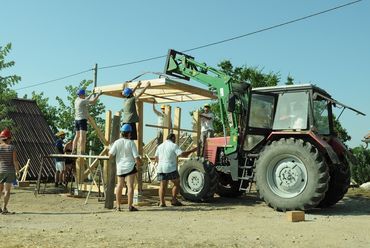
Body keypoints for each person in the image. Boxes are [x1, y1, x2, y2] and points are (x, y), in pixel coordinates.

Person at [155, 133, 197, 207]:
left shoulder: (160, 146)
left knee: (162, 185)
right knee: (177, 183)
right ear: (173, 138)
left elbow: (156, 158)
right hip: (170, 167)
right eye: (175, 139)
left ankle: (162, 202)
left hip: (160, 168)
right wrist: (192, 150)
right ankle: (174, 200)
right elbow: (182, 154)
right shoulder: (173, 145)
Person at [109, 124, 142, 212]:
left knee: (119, 185)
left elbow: (110, 155)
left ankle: (118, 206)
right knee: (130, 186)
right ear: (129, 134)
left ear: (122, 133)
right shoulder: (131, 143)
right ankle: (130, 206)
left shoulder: (117, 142)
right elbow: (136, 157)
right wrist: (140, 163)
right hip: (130, 167)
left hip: (120, 167)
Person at [72, 88, 103, 154]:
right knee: (83, 137)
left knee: (77, 136)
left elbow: (86, 99)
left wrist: (92, 93)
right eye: (84, 94)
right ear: (82, 95)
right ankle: (82, 151)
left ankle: (73, 150)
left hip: (76, 120)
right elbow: (93, 102)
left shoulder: (76, 100)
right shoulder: (82, 101)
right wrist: (98, 95)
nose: (85, 95)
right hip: (82, 120)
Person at [0, 128, 20, 215]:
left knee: (0, 190)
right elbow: (15, 161)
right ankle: (4, 208)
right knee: (7, 190)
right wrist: (17, 170)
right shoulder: (12, 147)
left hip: (0, 170)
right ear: (8, 138)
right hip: (9, 171)